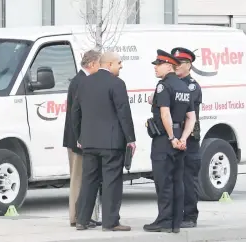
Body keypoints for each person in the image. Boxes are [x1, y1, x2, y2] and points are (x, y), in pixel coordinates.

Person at [71, 52, 136, 231]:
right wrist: (131, 139)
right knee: (111, 182)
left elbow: (75, 112)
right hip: (111, 143)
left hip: (89, 141)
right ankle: (110, 222)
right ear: (108, 64)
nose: (121, 66)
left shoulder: (84, 82)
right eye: (119, 63)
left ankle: (82, 220)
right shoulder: (117, 84)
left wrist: (80, 137)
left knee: (89, 180)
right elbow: (123, 112)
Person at [143, 49, 196, 233]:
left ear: (168, 65)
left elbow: (165, 113)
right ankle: (175, 223)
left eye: (158, 65)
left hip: (164, 140)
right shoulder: (183, 86)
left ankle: (164, 221)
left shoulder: (163, 86)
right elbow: (191, 117)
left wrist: (172, 138)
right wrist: (182, 138)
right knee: (177, 181)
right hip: (180, 137)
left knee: (163, 181)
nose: (156, 68)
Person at [63, 49, 102, 228]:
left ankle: (81, 215)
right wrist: (80, 138)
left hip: (78, 138)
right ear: (92, 64)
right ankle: (78, 216)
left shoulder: (79, 80)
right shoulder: (82, 81)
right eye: (99, 64)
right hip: (78, 139)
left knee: (81, 178)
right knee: (78, 179)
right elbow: (76, 114)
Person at [171, 47, 202, 228]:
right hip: (176, 137)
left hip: (189, 138)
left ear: (189, 65)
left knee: (188, 178)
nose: (176, 66)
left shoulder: (191, 86)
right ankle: (178, 213)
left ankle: (190, 215)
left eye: (180, 63)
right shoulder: (175, 84)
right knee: (176, 177)